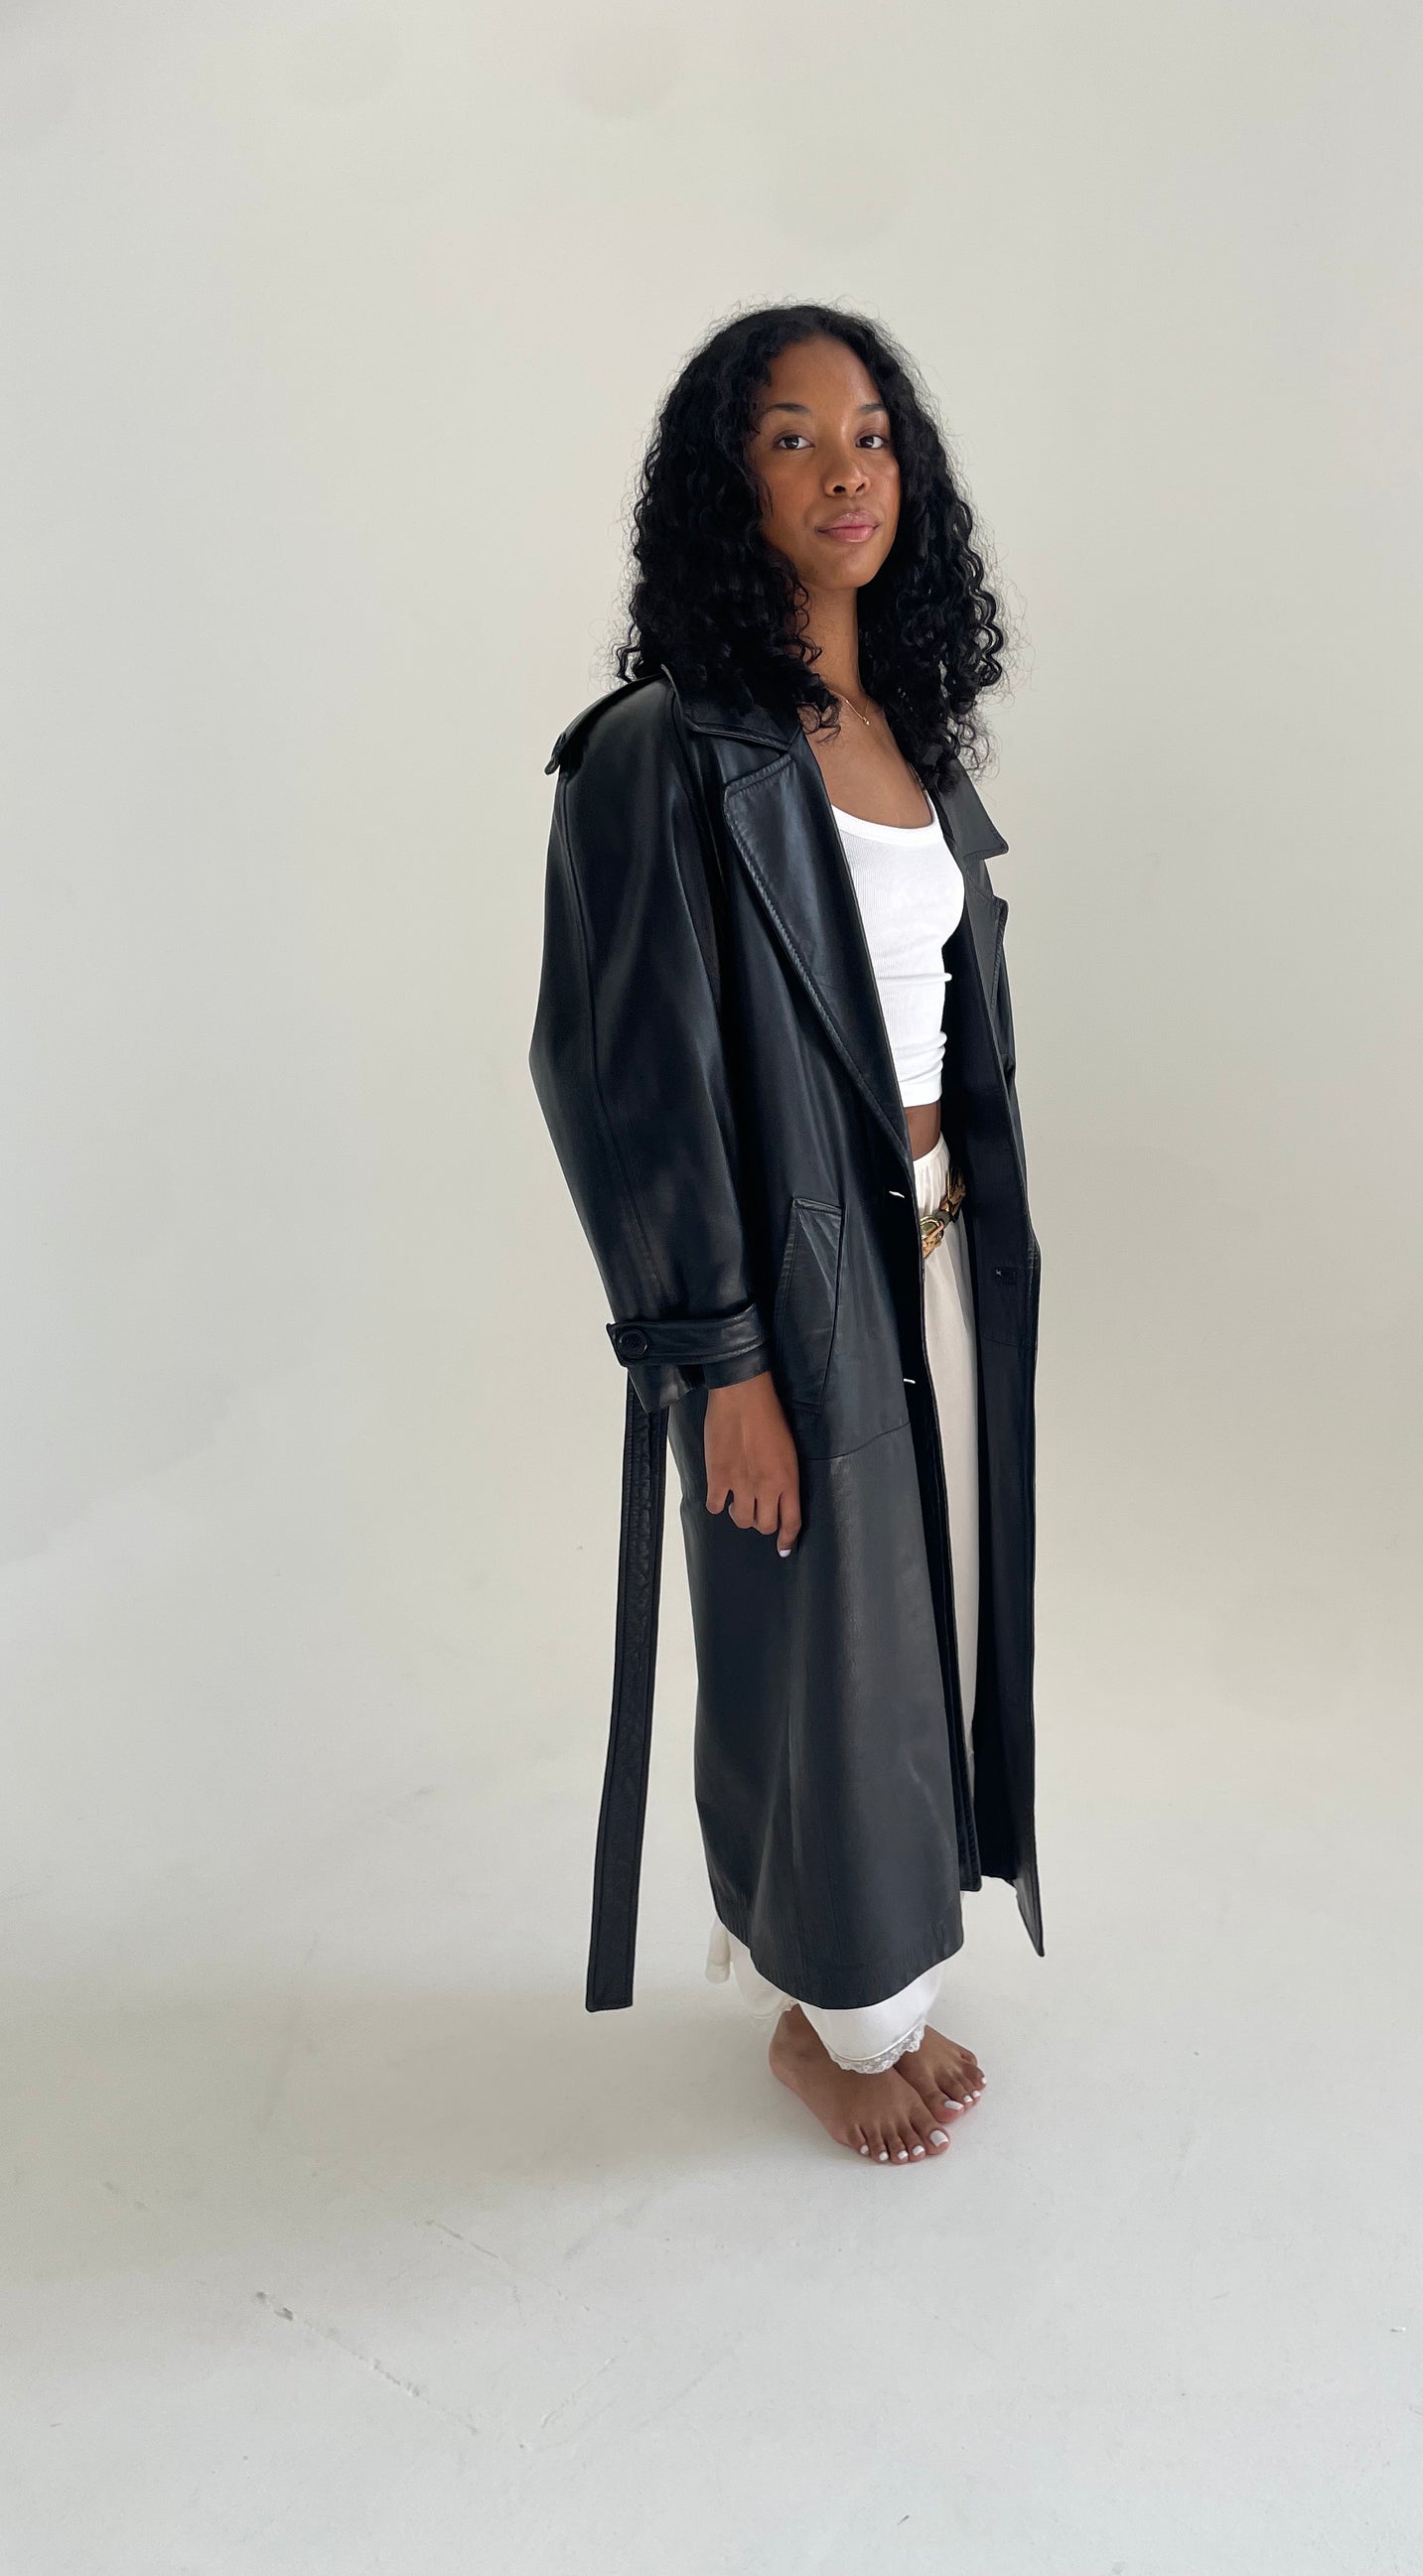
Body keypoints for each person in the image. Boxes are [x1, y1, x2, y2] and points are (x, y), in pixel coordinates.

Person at [529, 305, 1043, 2169]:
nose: (845, 470)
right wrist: (718, 1358)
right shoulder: (663, 752)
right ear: (722, 482)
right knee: (815, 1646)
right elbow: (620, 1081)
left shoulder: (911, 734)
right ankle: (841, 2022)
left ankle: (863, 1975)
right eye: (790, 436)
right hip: (791, 1277)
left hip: (941, 1251)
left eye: (873, 432)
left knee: (916, 1635)